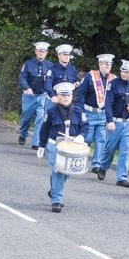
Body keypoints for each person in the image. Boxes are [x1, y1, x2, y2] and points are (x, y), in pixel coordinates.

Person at [36, 82, 88, 212]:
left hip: (71, 147)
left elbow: (85, 126)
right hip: (55, 145)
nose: (66, 98)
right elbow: (44, 129)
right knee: (58, 170)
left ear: (72, 96)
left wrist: (81, 136)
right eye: (63, 95)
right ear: (58, 96)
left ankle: (54, 189)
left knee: (68, 171)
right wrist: (41, 146)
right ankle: (57, 200)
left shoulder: (78, 111)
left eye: (68, 95)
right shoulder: (51, 111)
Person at [96, 60, 129, 188]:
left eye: (127, 72)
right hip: (115, 122)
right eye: (122, 71)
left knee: (126, 149)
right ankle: (103, 166)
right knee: (109, 148)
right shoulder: (113, 84)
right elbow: (108, 104)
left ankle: (122, 177)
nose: (123, 73)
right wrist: (110, 121)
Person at [74, 53, 114, 173]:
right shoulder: (90, 76)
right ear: (100, 64)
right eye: (105, 63)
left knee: (101, 139)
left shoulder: (113, 79)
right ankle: (80, 161)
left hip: (103, 114)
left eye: (109, 64)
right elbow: (81, 93)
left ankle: (97, 164)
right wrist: (80, 110)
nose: (107, 66)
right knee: (87, 137)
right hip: (89, 112)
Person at [17, 41, 51, 148]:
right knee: (26, 118)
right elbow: (22, 77)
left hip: (42, 96)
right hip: (29, 97)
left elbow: (52, 79)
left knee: (40, 118)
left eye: (44, 51)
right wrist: (27, 88)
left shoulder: (50, 65)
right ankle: (23, 134)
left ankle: (36, 142)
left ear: (46, 52)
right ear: (36, 51)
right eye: (40, 51)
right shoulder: (28, 64)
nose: (41, 53)